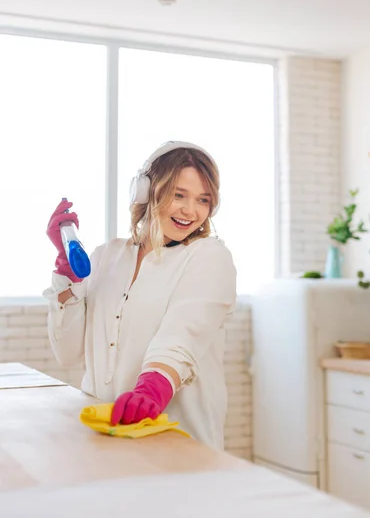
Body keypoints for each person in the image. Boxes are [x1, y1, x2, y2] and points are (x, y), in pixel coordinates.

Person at [43, 141, 237, 450]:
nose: (191, 210)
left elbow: (182, 335)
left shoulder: (209, 256)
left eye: (203, 199)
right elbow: (68, 353)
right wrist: (67, 275)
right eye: (179, 195)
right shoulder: (106, 256)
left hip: (178, 443)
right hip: (103, 437)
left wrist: (152, 390)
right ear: (146, 191)